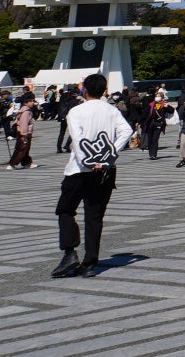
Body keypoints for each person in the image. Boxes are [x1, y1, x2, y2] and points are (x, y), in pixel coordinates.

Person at [52, 72, 133, 278]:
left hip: (79, 170)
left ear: (84, 89)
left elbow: (78, 141)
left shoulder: (76, 112)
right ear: (104, 90)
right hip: (105, 171)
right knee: (95, 216)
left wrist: (89, 161)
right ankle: (90, 263)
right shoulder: (112, 111)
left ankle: (70, 252)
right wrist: (109, 155)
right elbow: (127, 131)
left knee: (65, 209)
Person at [10, 90, 39, 170]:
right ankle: (12, 163)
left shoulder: (25, 110)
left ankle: (27, 163)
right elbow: (24, 124)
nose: (33, 102)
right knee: (21, 149)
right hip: (24, 133)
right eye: (31, 101)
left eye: (33, 101)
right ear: (26, 102)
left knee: (25, 149)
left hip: (24, 133)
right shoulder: (26, 112)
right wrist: (25, 135)